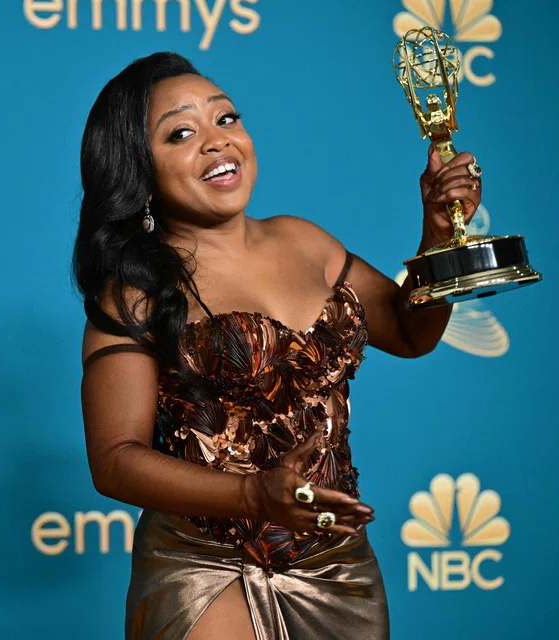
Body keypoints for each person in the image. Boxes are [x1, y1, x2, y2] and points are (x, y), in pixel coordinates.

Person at [73, 52, 483, 639]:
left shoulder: (305, 240)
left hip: (338, 568)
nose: (216, 143)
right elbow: (114, 460)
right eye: (182, 133)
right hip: (206, 567)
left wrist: (439, 236)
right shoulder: (135, 293)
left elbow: (411, 331)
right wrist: (249, 494)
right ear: (139, 171)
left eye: (227, 119)